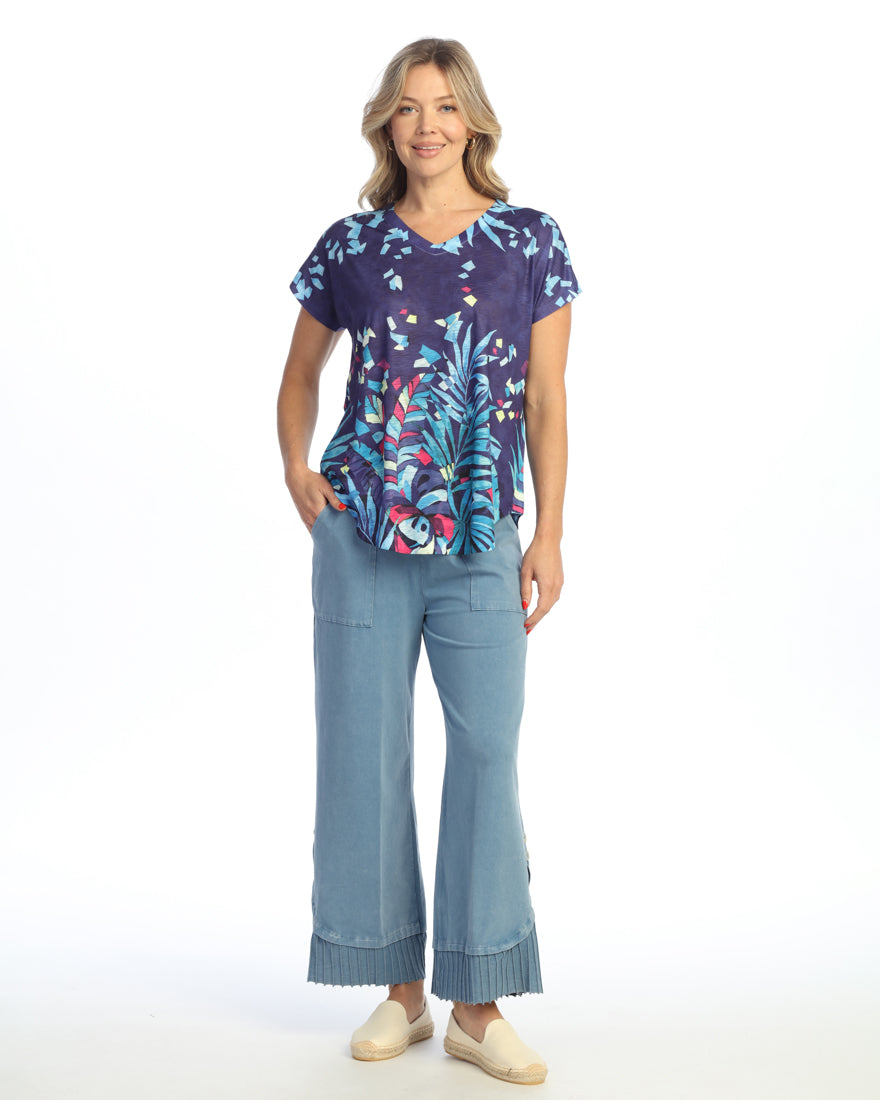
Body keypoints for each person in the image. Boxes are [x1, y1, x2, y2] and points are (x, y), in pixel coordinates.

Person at [276, 37, 580, 1086]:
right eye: (408, 107)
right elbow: (299, 374)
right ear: (386, 124)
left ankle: (477, 1004)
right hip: (361, 532)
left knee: (487, 750)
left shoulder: (529, 241)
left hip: (480, 533)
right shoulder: (352, 246)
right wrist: (296, 469)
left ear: (473, 121)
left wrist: (547, 533)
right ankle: (400, 992)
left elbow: (545, 399)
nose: (426, 125)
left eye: (445, 106)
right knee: (364, 755)